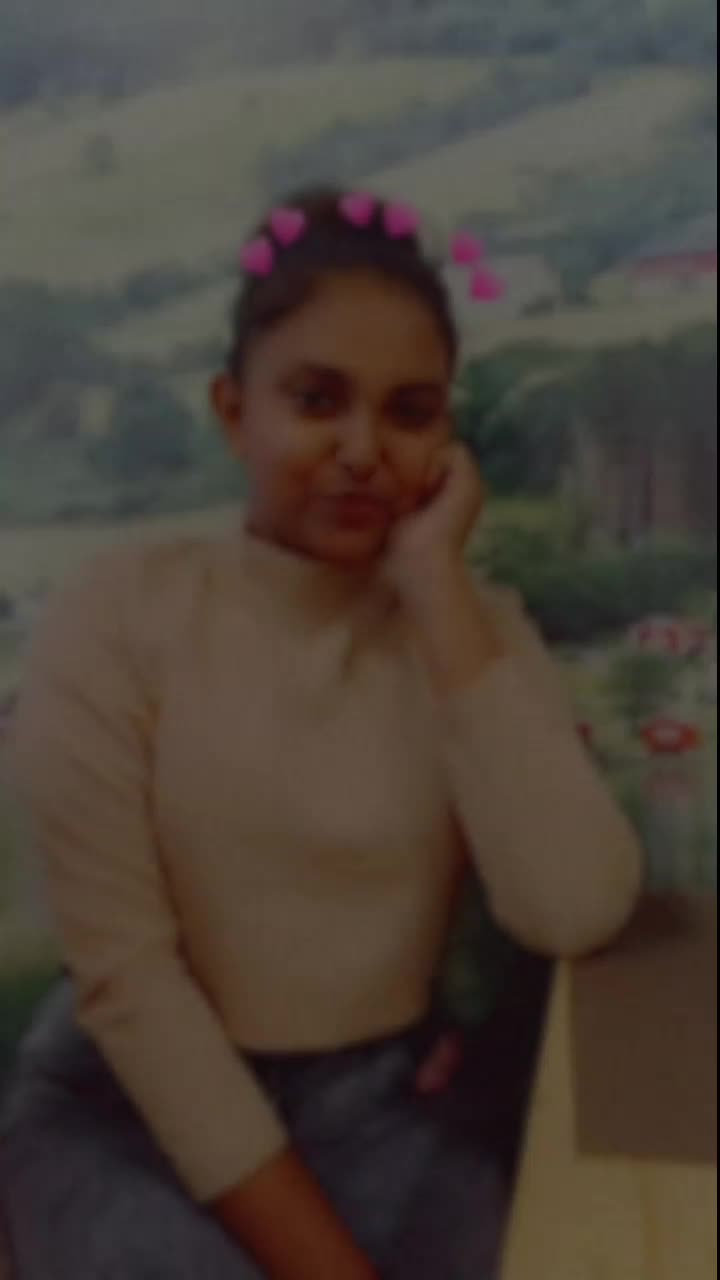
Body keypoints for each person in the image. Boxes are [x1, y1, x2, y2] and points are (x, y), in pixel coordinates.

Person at [0, 188, 643, 1280]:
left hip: (386, 1114)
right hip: (130, 1113)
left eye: (409, 412)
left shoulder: (472, 631)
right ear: (232, 410)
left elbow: (575, 903)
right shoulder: (118, 615)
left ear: (447, 439)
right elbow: (130, 987)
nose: (361, 449)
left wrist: (434, 586)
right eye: (316, 400)